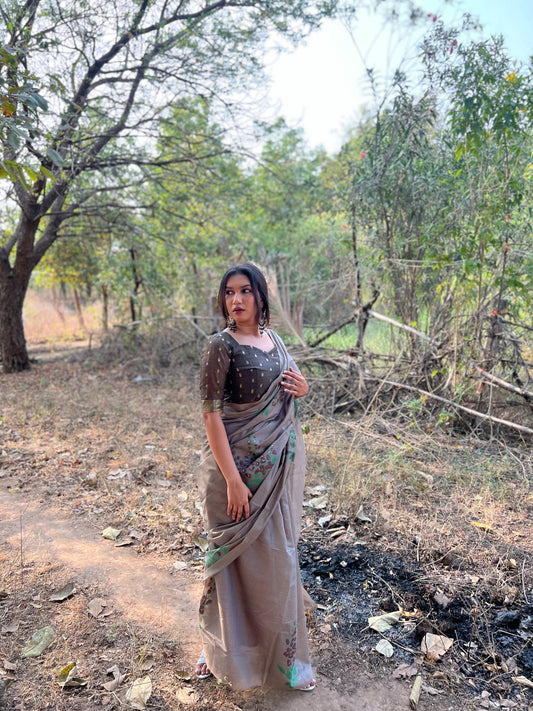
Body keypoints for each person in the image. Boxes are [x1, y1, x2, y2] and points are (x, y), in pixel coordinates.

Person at [195, 262, 316, 692]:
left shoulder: (275, 341)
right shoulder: (220, 346)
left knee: (278, 560)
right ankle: (222, 653)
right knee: (231, 567)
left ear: (261, 296)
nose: (236, 300)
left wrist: (303, 390)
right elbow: (211, 417)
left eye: (245, 291)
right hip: (234, 475)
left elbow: (293, 389)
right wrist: (232, 480)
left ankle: (284, 663)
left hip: (274, 475)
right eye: (229, 292)